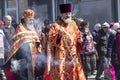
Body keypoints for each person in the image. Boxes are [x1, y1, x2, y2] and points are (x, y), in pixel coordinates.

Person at [44, 3, 86, 80]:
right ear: (61, 14)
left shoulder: (73, 24)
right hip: (60, 55)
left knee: (74, 73)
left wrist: (80, 40)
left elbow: (78, 35)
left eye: (69, 13)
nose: (68, 15)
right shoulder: (55, 25)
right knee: (60, 73)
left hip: (72, 54)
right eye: (66, 13)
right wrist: (58, 35)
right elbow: (50, 40)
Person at [4, 9, 42, 80]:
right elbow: (15, 45)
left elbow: (38, 43)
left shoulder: (32, 30)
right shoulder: (20, 29)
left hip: (33, 59)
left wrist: (37, 45)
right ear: (25, 20)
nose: (31, 21)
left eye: (32, 20)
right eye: (29, 20)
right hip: (22, 59)